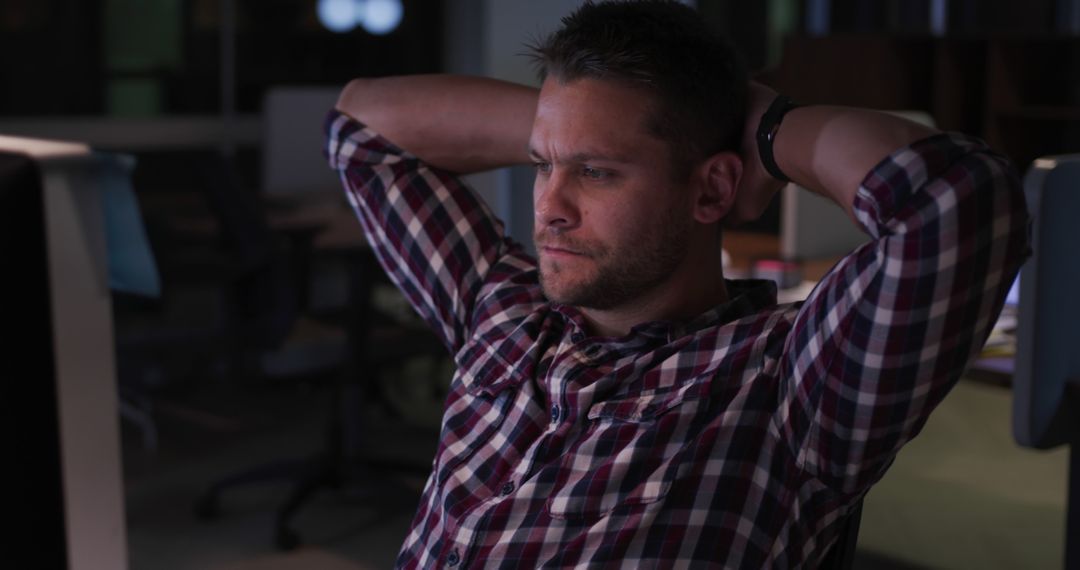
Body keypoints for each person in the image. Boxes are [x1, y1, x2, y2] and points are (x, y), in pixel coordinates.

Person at [326, 1, 1029, 567]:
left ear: (712, 188)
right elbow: (362, 128)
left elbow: (957, 200)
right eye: (543, 166)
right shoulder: (507, 310)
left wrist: (762, 132)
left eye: (597, 173)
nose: (550, 206)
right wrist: (580, 127)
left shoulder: (785, 386)